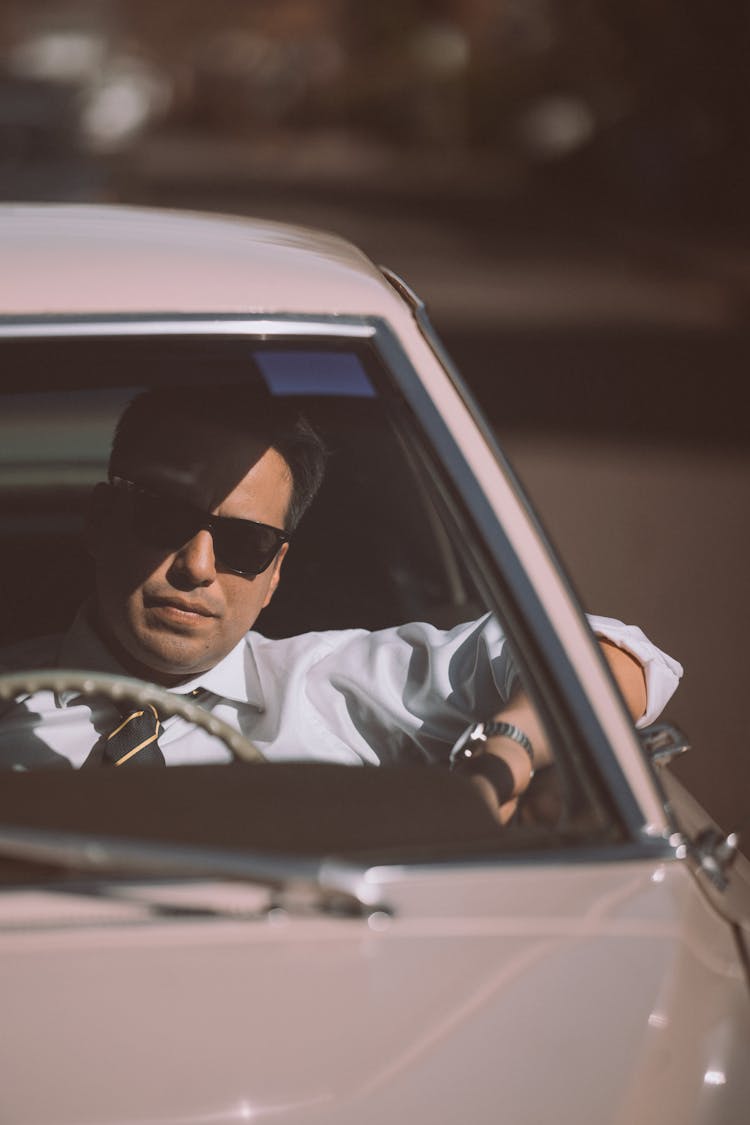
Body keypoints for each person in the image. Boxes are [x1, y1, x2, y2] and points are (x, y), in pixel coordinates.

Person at [0, 385, 682, 821]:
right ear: (100, 521)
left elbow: (610, 658)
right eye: (163, 520)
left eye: (245, 543)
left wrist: (503, 750)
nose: (198, 566)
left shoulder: (335, 681)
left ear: (276, 572)